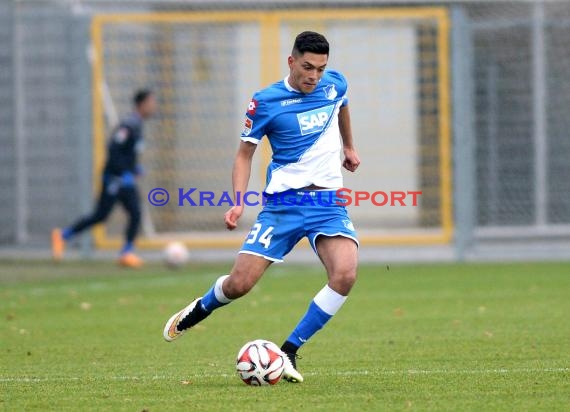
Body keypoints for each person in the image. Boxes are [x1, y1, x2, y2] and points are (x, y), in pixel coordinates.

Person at [163, 31, 360, 383]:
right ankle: (201, 307)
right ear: (291, 61)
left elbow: (342, 103)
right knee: (240, 284)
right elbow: (244, 155)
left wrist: (349, 146)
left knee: (344, 274)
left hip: (327, 203)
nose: (314, 76)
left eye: (320, 68)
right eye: (307, 67)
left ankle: (289, 350)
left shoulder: (334, 84)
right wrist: (237, 203)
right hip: (282, 206)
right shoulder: (266, 102)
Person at [51, 89, 157, 268]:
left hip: (124, 178)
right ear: (142, 104)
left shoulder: (137, 125)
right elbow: (114, 149)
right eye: (151, 103)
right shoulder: (129, 125)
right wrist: (123, 172)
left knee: (130, 212)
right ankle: (62, 236)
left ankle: (126, 252)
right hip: (116, 179)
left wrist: (134, 168)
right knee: (104, 215)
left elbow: (127, 153)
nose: (154, 107)